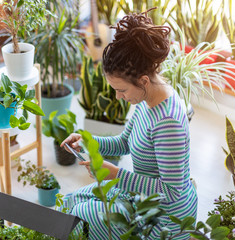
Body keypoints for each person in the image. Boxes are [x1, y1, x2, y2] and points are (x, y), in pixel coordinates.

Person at [60, 10, 198, 240]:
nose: (118, 97)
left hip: (164, 219)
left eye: (121, 90)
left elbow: (173, 192)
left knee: (80, 216)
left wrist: (116, 175)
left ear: (143, 80)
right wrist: (88, 141)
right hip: (141, 197)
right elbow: (125, 142)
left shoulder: (168, 123)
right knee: (71, 202)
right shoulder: (147, 98)